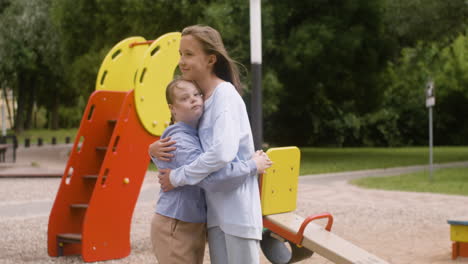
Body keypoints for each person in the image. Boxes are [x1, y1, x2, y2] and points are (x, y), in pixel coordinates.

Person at [154, 24, 268, 264]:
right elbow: (183, 140)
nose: (182, 61)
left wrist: (176, 177)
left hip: (237, 213)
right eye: (180, 54)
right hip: (215, 214)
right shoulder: (200, 102)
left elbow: (221, 154)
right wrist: (153, 150)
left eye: (189, 54)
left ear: (211, 59)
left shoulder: (224, 95)